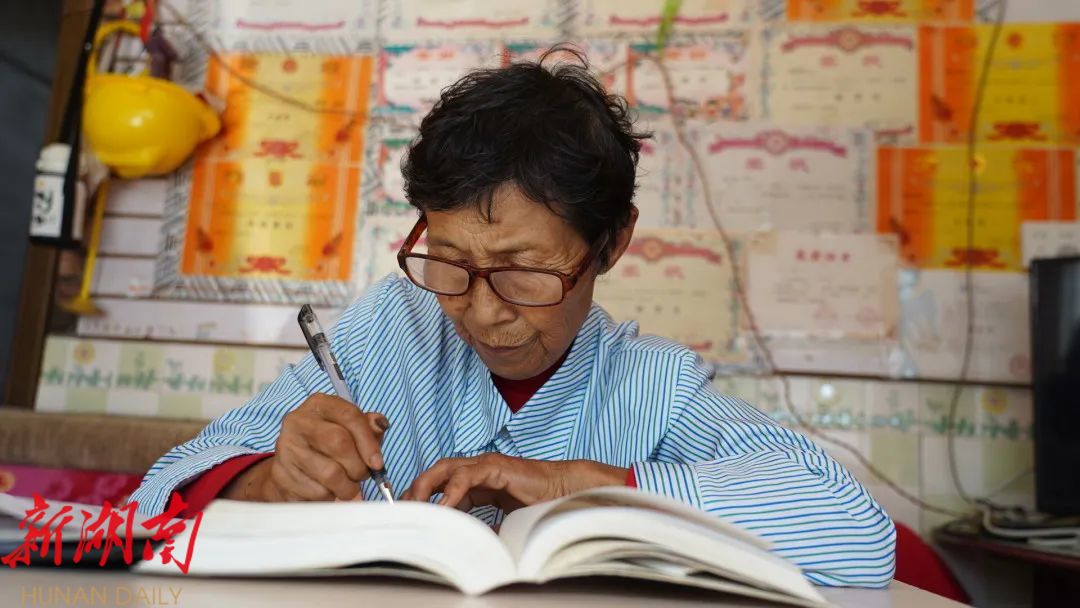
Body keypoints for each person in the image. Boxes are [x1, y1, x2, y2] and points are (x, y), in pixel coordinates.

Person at [130, 49, 896, 588]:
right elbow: (150, 502)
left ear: (611, 243)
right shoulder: (390, 329)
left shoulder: (653, 386)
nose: (483, 310)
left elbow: (856, 533)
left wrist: (579, 484)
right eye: (450, 262)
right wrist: (269, 481)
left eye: (525, 271)